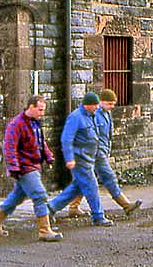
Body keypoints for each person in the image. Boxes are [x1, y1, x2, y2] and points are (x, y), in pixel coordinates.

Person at [0, 94, 62, 242]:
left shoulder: (35, 123)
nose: (42, 113)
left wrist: (48, 156)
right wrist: (14, 167)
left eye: (43, 110)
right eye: (40, 110)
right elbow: (9, 147)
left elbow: (41, 143)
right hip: (25, 167)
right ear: (31, 107)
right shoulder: (16, 124)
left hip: (32, 165)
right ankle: (44, 230)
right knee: (40, 195)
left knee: (17, 197)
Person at [64, 89, 141, 217]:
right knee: (109, 177)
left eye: (113, 104)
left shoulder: (106, 113)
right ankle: (126, 205)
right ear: (101, 102)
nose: (112, 106)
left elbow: (107, 135)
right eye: (110, 103)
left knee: (81, 181)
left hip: (101, 152)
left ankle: (72, 206)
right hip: (96, 153)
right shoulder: (95, 114)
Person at [47, 92, 114, 226]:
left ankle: (50, 208)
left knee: (77, 187)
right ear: (87, 105)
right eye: (94, 105)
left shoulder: (92, 116)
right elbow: (66, 139)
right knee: (92, 185)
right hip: (80, 158)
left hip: (89, 157)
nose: (96, 107)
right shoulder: (76, 117)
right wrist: (69, 158)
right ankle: (98, 216)